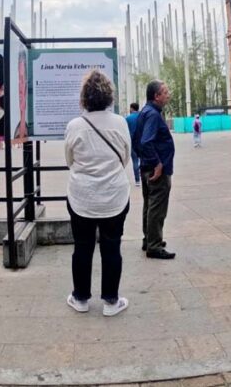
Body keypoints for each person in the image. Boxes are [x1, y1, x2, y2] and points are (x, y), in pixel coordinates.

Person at [64, 69, 131, 317]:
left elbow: (69, 160)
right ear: (109, 97)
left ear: (84, 98)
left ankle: (80, 298)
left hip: (82, 197)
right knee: (112, 248)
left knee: (82, 247)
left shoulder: (74, 126)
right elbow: (125, 157)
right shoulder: (120, 123)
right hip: (115, 196)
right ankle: (111, 302)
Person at [134, 80, 175, 260]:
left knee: (149, 205)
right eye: (165, 92)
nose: (168, 94)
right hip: (156, 171)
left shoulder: (146, 112)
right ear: (156, 96)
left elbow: (138, 140)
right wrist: (157, 164)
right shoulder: (152, 115)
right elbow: (145, 141)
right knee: (157, 208)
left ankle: (149, 239)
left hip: (147, 167)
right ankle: (154, 246)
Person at [125, 103, 140, 186]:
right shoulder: (142, 116)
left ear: (131, 108)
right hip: (142, 142)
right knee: (142, 159)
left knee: (135, 161)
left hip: (132, 142)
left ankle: (137, 180)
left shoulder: (128, 118)